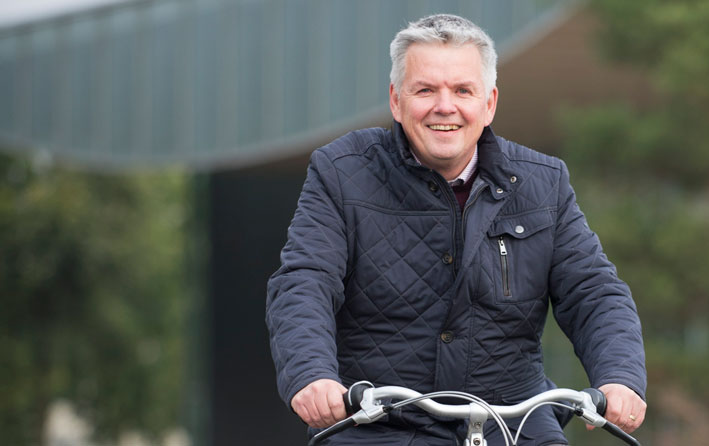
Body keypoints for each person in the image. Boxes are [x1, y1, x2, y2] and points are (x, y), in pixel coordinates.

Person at [266, 14, 646, 445]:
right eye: (425, 90)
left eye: (463, 90)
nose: (444, 106)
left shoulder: (545, 183)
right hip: (377, 421)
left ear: (489, 103)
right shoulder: (341, 172)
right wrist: (312, 375)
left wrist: (620, 377)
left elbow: (593, 291)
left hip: (513, 420)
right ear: (396, 100)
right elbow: (305, 282)